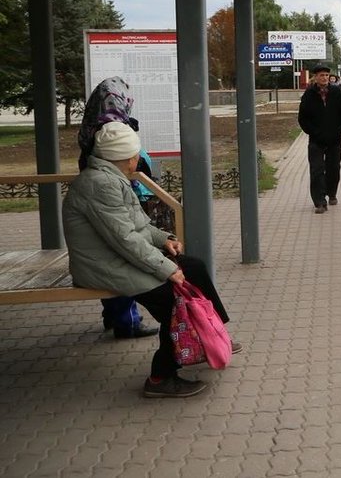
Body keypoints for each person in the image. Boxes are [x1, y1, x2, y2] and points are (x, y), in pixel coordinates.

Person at [63, 122, 238, 398]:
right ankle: (161, 378)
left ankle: (212, 332)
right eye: (137, 153)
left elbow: (139, 227)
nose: (140, 157)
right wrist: (167, 269)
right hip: (103, 266)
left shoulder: (111, 178)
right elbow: (125, 240)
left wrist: (164, 240)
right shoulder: (101, 185)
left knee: (193, 266)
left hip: (116, 258)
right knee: (174, 305)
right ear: (126, 157)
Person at [77, 76, 156, 340]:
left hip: (109, 201)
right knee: (121, 254)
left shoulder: (93, 127)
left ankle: (114, 315)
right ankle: (127, 322)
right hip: (116, 197)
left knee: (111, 247)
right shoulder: (112, 128)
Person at [298, 62, 341, 214]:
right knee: (317, 170)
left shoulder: (337, 92)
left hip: (334, 139)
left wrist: (340, 130)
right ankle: (320, 202)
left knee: (334, 168)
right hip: (316, 140)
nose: (325, 78)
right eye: (322, 75)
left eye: (327, 75)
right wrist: (312, 132)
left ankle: (331, 193)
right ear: (315, 77)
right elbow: (302, 118)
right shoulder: (309, 94)